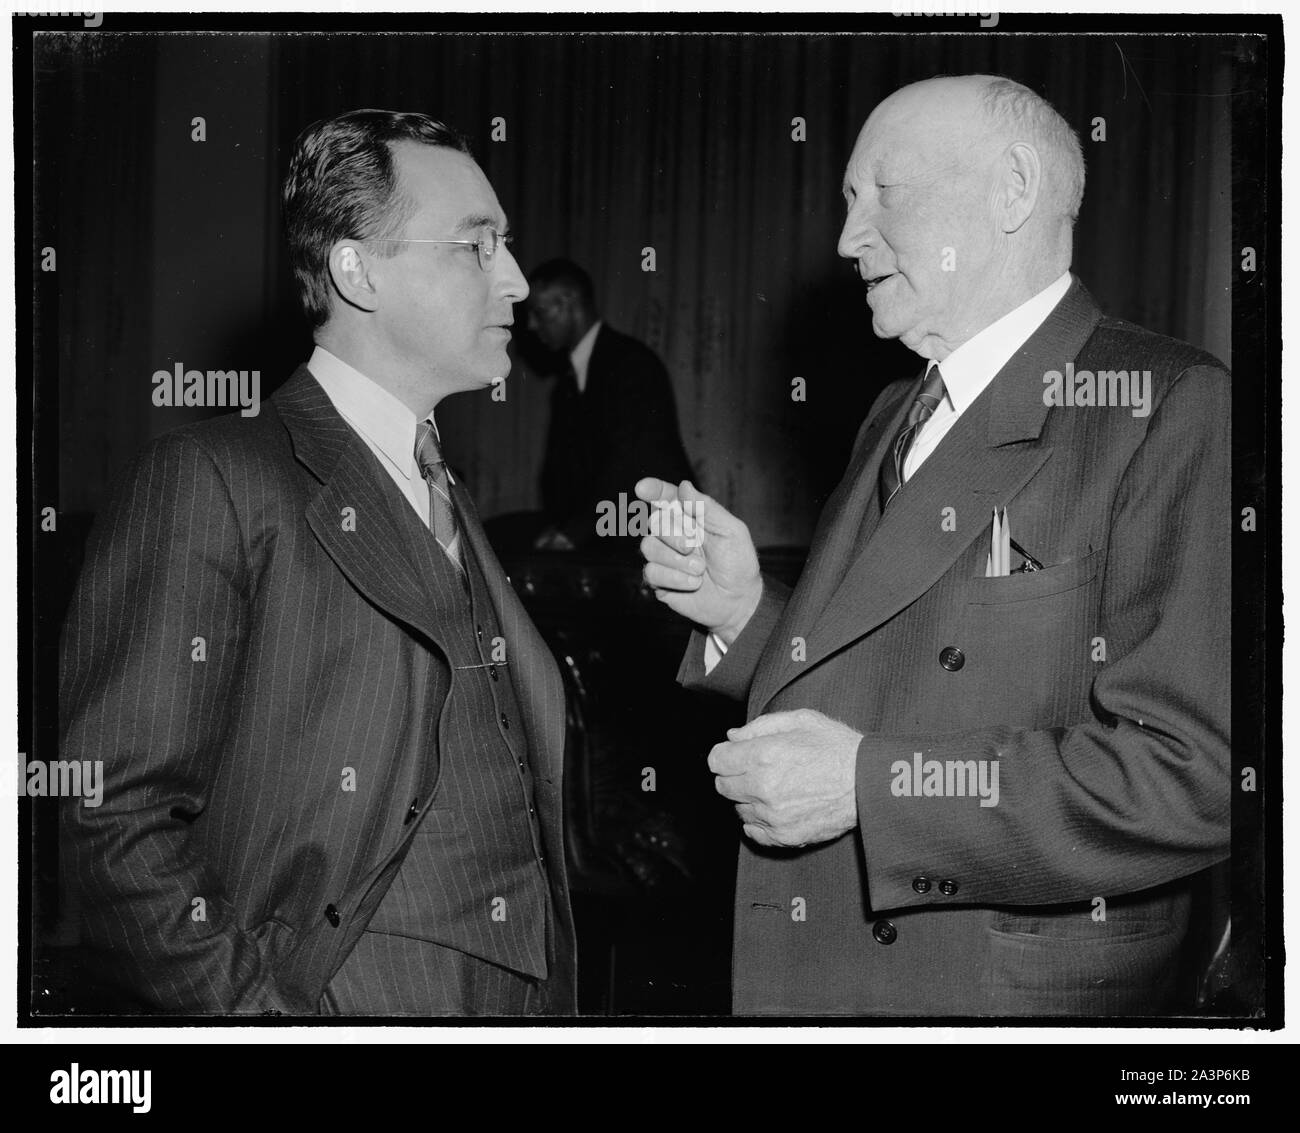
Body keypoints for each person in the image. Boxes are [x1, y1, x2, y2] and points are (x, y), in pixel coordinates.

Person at [637, 74, 1230, 1016]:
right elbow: (890, 671)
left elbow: (1190, 777)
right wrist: (745, 614)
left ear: (1013, 190)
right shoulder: (895, 410)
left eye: (882, 191)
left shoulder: (1169, 403)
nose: (847, 238)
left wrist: (877, 788)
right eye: (846, 201)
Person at [59, 109, 576, 1016]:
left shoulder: (441, 485)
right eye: (476, 244)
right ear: (357, 268)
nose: (517, 280)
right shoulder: (212, 478)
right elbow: (113, 815)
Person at [526, 259, 694, 550]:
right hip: (616, 532)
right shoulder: (567, 384)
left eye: (539, 312)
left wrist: (572, 533)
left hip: (660, 538)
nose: (531, 325)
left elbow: (631, 461)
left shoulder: (632, 364)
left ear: (569, 302)